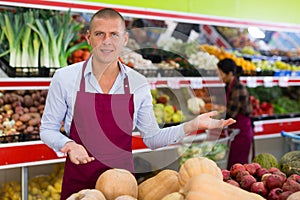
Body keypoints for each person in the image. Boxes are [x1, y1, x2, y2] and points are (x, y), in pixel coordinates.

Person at [40, 8, 236, 199]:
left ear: (124, 40)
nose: (107, 41)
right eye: (100, 34)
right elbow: (47, 129)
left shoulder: (138, 83)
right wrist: (69, 144)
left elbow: (152, 138)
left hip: (123, 190)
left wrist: (192, 126)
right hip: (80, 189)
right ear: (88, 38)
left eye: (114, 34)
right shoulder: (65, 77)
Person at [217, 58, 254, 169]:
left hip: (241, 133)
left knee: (238, 168)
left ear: (230, 73)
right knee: (232, 167)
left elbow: (230, 114)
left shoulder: (238, 88)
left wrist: (213, 117)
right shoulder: (229, 86)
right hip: (234, 131)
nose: (219, 76)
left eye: (221, 73)